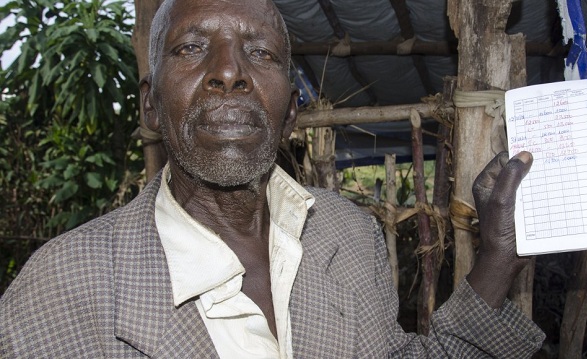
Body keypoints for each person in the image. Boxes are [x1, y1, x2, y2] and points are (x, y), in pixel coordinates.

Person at [0, 0, 545, 357]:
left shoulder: (345, 234)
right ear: (150, 108)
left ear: (289, 116)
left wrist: (497, 257)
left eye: (260, 53)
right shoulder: (62, 290)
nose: (230, 71)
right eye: (192, 48)